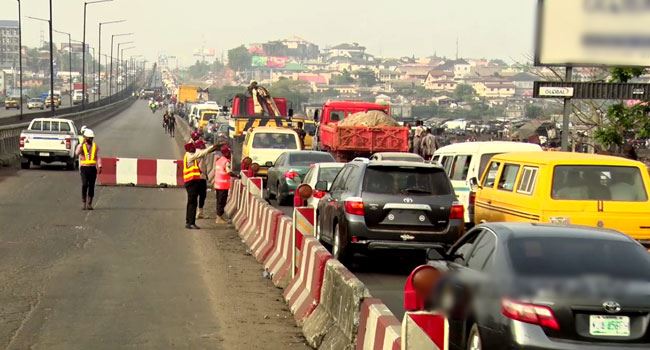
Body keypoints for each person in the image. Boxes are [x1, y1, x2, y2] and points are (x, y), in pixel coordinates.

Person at [183, 141, 218, 229]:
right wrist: (212, 147)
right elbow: (200, 153)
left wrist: (211, 149)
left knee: (191, 202)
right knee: (193, 203)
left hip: (191, 182)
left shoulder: (188, 155)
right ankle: (191, 222)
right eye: (193, 149)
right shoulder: (190, 156)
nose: (194, 150)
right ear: (190, 149)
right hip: (191, 182)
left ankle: (189, 221)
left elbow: (201, 154)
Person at [75, 129, 102, 210]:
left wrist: (100, 166)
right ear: (85, 138)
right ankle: (84, 202)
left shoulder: (95, 146)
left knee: (91, 186)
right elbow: (77, 153)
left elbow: (97, 157)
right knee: (84, 184)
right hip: (84, 168)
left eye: (92, 138)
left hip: (92, 168)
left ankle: (89, 203)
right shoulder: (81, 146)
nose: (90, 139)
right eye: (89, 138)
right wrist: (81, 144)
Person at [214, 144, 236, 224]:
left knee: (219, 201)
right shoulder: (226, 162)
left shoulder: (219, 160)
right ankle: (219, 218)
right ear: (227, 153)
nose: (230, 154)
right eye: (229, 153)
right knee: (222, 202)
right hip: (223, 186)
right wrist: (237, 176)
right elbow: (229, 172)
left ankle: (219, 216)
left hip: (217, 185)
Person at [194, 139, 209, 219]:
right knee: (202, 195)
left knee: (199, 195)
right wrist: (200, 172)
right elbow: (195, 164)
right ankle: (199, 212)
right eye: (203, 145)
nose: (204, 146)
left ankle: (199, 212)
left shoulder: (196, 152)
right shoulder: (199, 153)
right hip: (200, 177)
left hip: (199, 177)